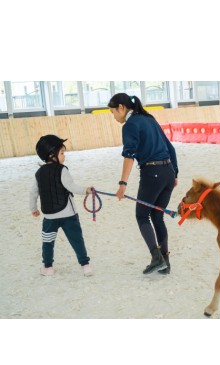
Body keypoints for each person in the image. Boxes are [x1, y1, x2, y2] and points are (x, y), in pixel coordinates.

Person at [108, 93, 178, 275]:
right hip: (168, 172)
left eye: (113, 112)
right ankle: (165, 261)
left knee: (142, 216)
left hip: (152, 172)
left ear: (122, 108)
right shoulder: (149, 118)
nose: (113, 116)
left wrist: (122, 184)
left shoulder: (130, 125)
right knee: (157, 215)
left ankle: (156, 258)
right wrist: (175, 173)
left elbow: (129, 155)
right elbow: (170, 147)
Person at [30, 135, 93, 277]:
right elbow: (72, 187)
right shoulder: (62, 170)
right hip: (68, 215)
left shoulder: (39, 173)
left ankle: (48, 267)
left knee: (47, 242)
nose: (64, 156)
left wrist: (33, 208)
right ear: (52, 155)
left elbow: (33, 193)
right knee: (77, 240)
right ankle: (85, 266)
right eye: (62, 153)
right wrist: (86, 190)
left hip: (49, 217)